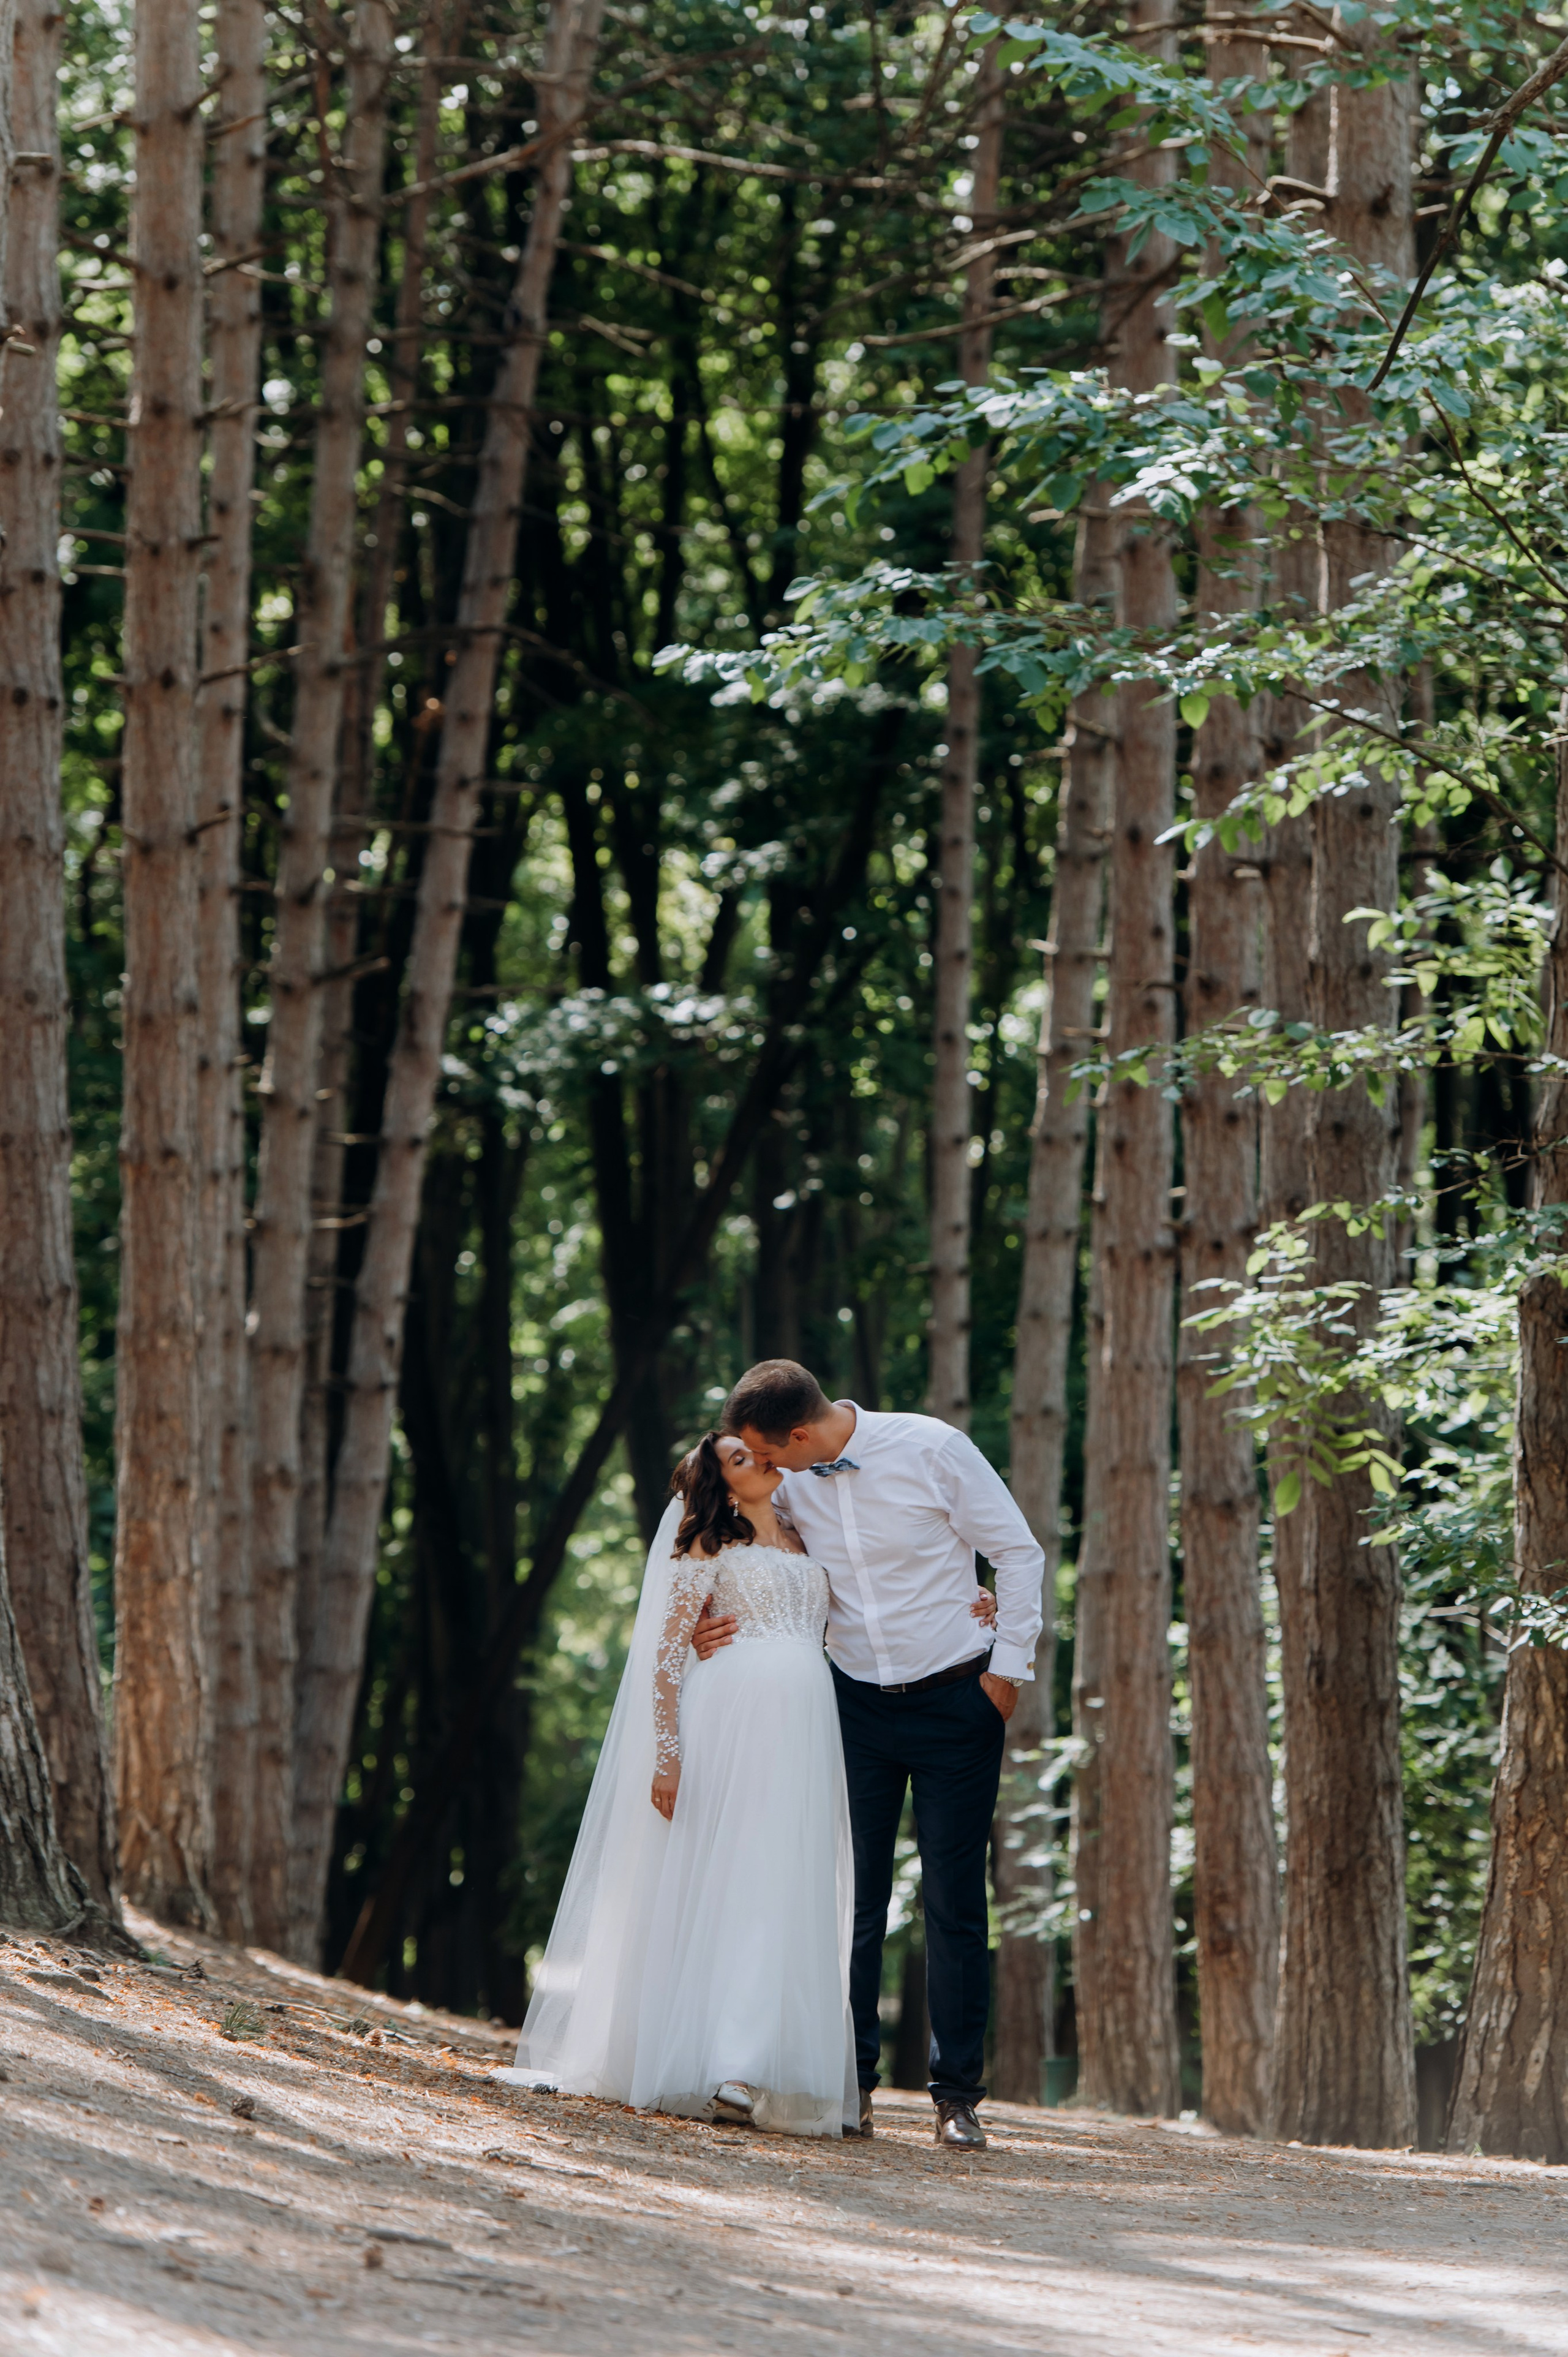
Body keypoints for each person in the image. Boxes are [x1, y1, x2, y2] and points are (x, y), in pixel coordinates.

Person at [693, 1359, 1044, 2151]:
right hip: (849, 1706)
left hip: (959, 1699)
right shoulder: (789, 1483)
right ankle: (850, 2084)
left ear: (801, 1434)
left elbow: (1017, 1553)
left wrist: (1006, 1671)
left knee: (956, 1903)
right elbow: (734, 1546)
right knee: (851, 1899)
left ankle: (957, 2098)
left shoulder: (934, 1450)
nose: (769, 1471)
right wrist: (697, 1625)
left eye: (771, 1453)